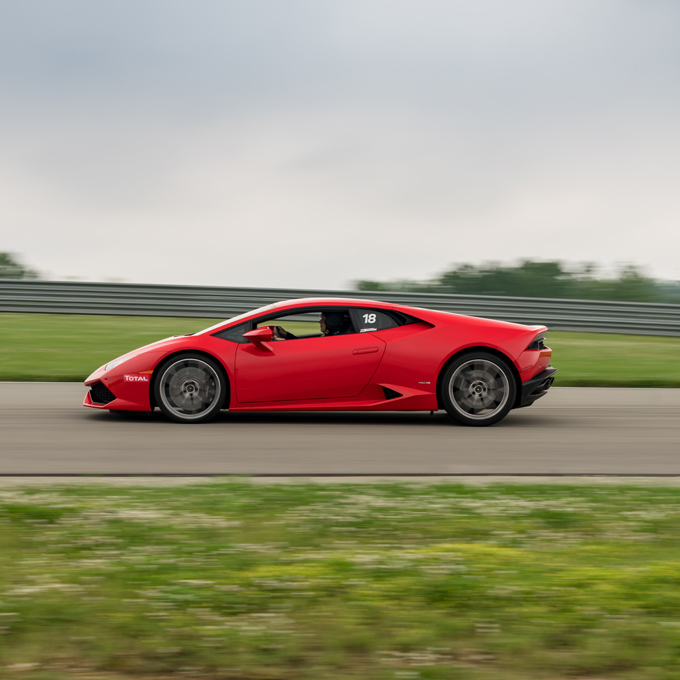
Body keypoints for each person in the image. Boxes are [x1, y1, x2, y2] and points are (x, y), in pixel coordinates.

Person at [275, 311, 351, 340]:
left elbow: (306, 348)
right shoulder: (329, 335)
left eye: (323, 319)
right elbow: (305, 345)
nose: (319, 322)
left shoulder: (333, 338)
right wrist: (286, 335)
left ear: (332, 322)